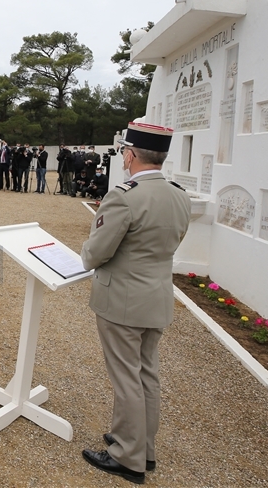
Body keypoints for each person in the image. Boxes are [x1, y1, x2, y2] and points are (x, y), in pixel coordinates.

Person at [80, 122, 191, 485]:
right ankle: (143, 448)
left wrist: (88, 249)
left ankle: (127, 457)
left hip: (123, 300)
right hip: (156, 297)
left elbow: (96, 252)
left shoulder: (124, 196)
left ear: (129, 154)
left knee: (126, 378)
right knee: (147, 375)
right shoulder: (178, 194)